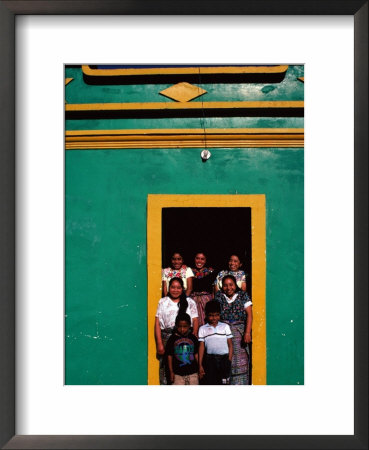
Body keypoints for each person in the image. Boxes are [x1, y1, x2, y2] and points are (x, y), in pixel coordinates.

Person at [155, 277, 199, 384]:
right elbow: (157, 323)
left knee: (185, 364)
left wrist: (193, 336)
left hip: (186, 339)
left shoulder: (190, 302)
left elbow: (195, 320)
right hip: (167, 337)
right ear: (169, 288)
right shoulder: (163, 301)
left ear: (182, 289)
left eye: (178, 288)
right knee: (167, 367)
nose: (175, 290)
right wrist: (160, 343)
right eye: (173, 287)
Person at [214, 274, 252, 385]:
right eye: (225, 285)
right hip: (223, 334)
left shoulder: (243, 295)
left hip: (239, 334)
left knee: (241, 362)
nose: (228, 288)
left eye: (231, 285)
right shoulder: (219, 296)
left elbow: (249, 315)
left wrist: (247, 332)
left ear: (235, 285)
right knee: (225, 359)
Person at [198, 300, 233, 385]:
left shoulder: (225, 327)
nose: (214, 318)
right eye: (211, 315)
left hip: (224, 359)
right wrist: (200, 365)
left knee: (224, 383)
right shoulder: (203, 329)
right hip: (210, 360)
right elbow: (201, 347)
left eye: (217, 315)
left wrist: (229, 360)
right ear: (206, 315)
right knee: (211, 382)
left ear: (219, 314)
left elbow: (230, 345)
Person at [166, 313, 199, 385]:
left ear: (189, 325)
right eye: (179, 326)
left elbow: (196, 354)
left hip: (192, 374)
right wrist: (171, 372)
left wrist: (200, 367)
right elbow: (169, 356)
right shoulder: (172, 339)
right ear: (176, 325)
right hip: (177, 375)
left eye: (185, 326)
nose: (182, 329)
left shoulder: (193, 338)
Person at [190, 252, 217, 327]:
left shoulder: (211, 271)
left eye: (202, 259)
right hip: (193, 300)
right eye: (197, 258)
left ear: (205, 260)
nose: (199, 261)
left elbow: (213, 289)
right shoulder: (189, 271)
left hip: (206, 301)